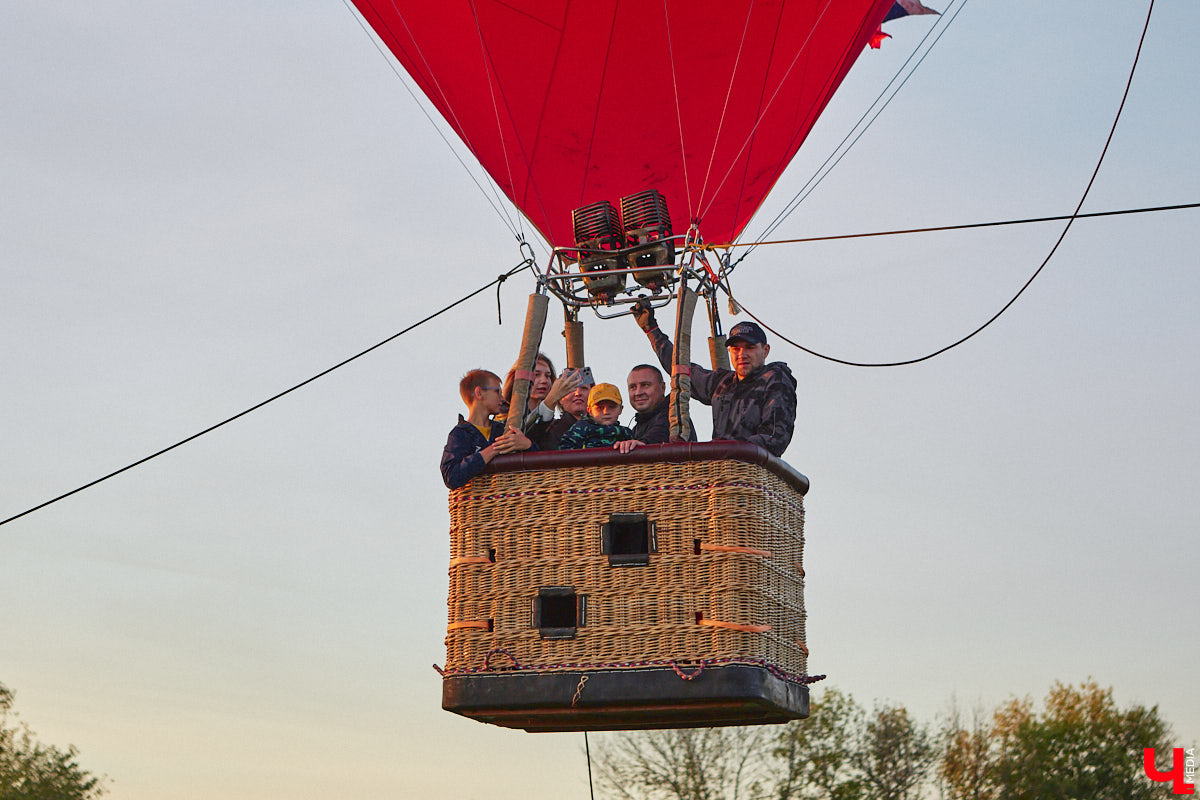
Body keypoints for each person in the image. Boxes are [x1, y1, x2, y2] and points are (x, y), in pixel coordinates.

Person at [632, 304, 796, 457]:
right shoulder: (723, 383)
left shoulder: (774, 380)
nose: (742, 354)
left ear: (765, 351)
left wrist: (726, 450)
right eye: (736, 349)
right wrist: (652, 330)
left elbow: (775, 438)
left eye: (749, 348)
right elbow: (681, 369)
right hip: (722, 474)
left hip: (752, 475)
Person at [440, 369, 534, 489]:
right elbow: (451, 476)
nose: (502, 399)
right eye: (497, 392)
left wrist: (527, 445)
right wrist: (493, 449)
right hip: (478, 504)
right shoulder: (461, 434)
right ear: (479, 393)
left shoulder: (502, 430)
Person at [499, 353, 582, 431]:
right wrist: (550, 401)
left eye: (548, 376)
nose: (544, 380)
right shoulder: (503, 417)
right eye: (536, 374)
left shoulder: (555, 423)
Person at [558, 383, 643, 453]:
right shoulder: (581, 428)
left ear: (621, 409)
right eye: (600, 408)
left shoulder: (625, 433)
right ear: (590, 410)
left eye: (611, 407)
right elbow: (565, 451)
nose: (606, 412)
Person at [626, 363, 697, 444]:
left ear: (662, 388)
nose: (638, 392)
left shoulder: (673, 417)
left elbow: (659, 435)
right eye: (633, 387)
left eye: (645, 385)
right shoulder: (638, 428)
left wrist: (642, 445)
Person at [528, 366, 595, 450]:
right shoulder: (548, 431)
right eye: (571, 389)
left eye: (584, 388)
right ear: (560, 398)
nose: (578, 393)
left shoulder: (607, 426)